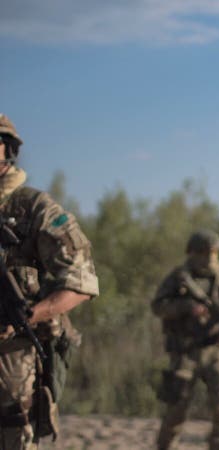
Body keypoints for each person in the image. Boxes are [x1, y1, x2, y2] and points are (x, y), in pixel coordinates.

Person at [0, 113, 99, 449]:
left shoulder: (33, 208)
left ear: (7, 150)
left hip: (13, 355)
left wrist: (30, 315)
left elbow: (81, 280)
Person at [151, 230, 219, 450]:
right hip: (184, 352)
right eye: (204, 252)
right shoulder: (178, 277)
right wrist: (186, 307)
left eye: (214, 252)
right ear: (192, 252)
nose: (210, 257)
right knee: (176, 409)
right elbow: (158, 306)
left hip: (215, 352)